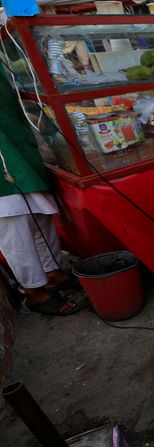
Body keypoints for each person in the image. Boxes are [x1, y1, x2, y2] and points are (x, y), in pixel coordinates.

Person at [0, 70, 78, 316]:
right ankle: (33, 289)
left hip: (12, 134)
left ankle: (52, 269)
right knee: (13, 217)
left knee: (40, 207)